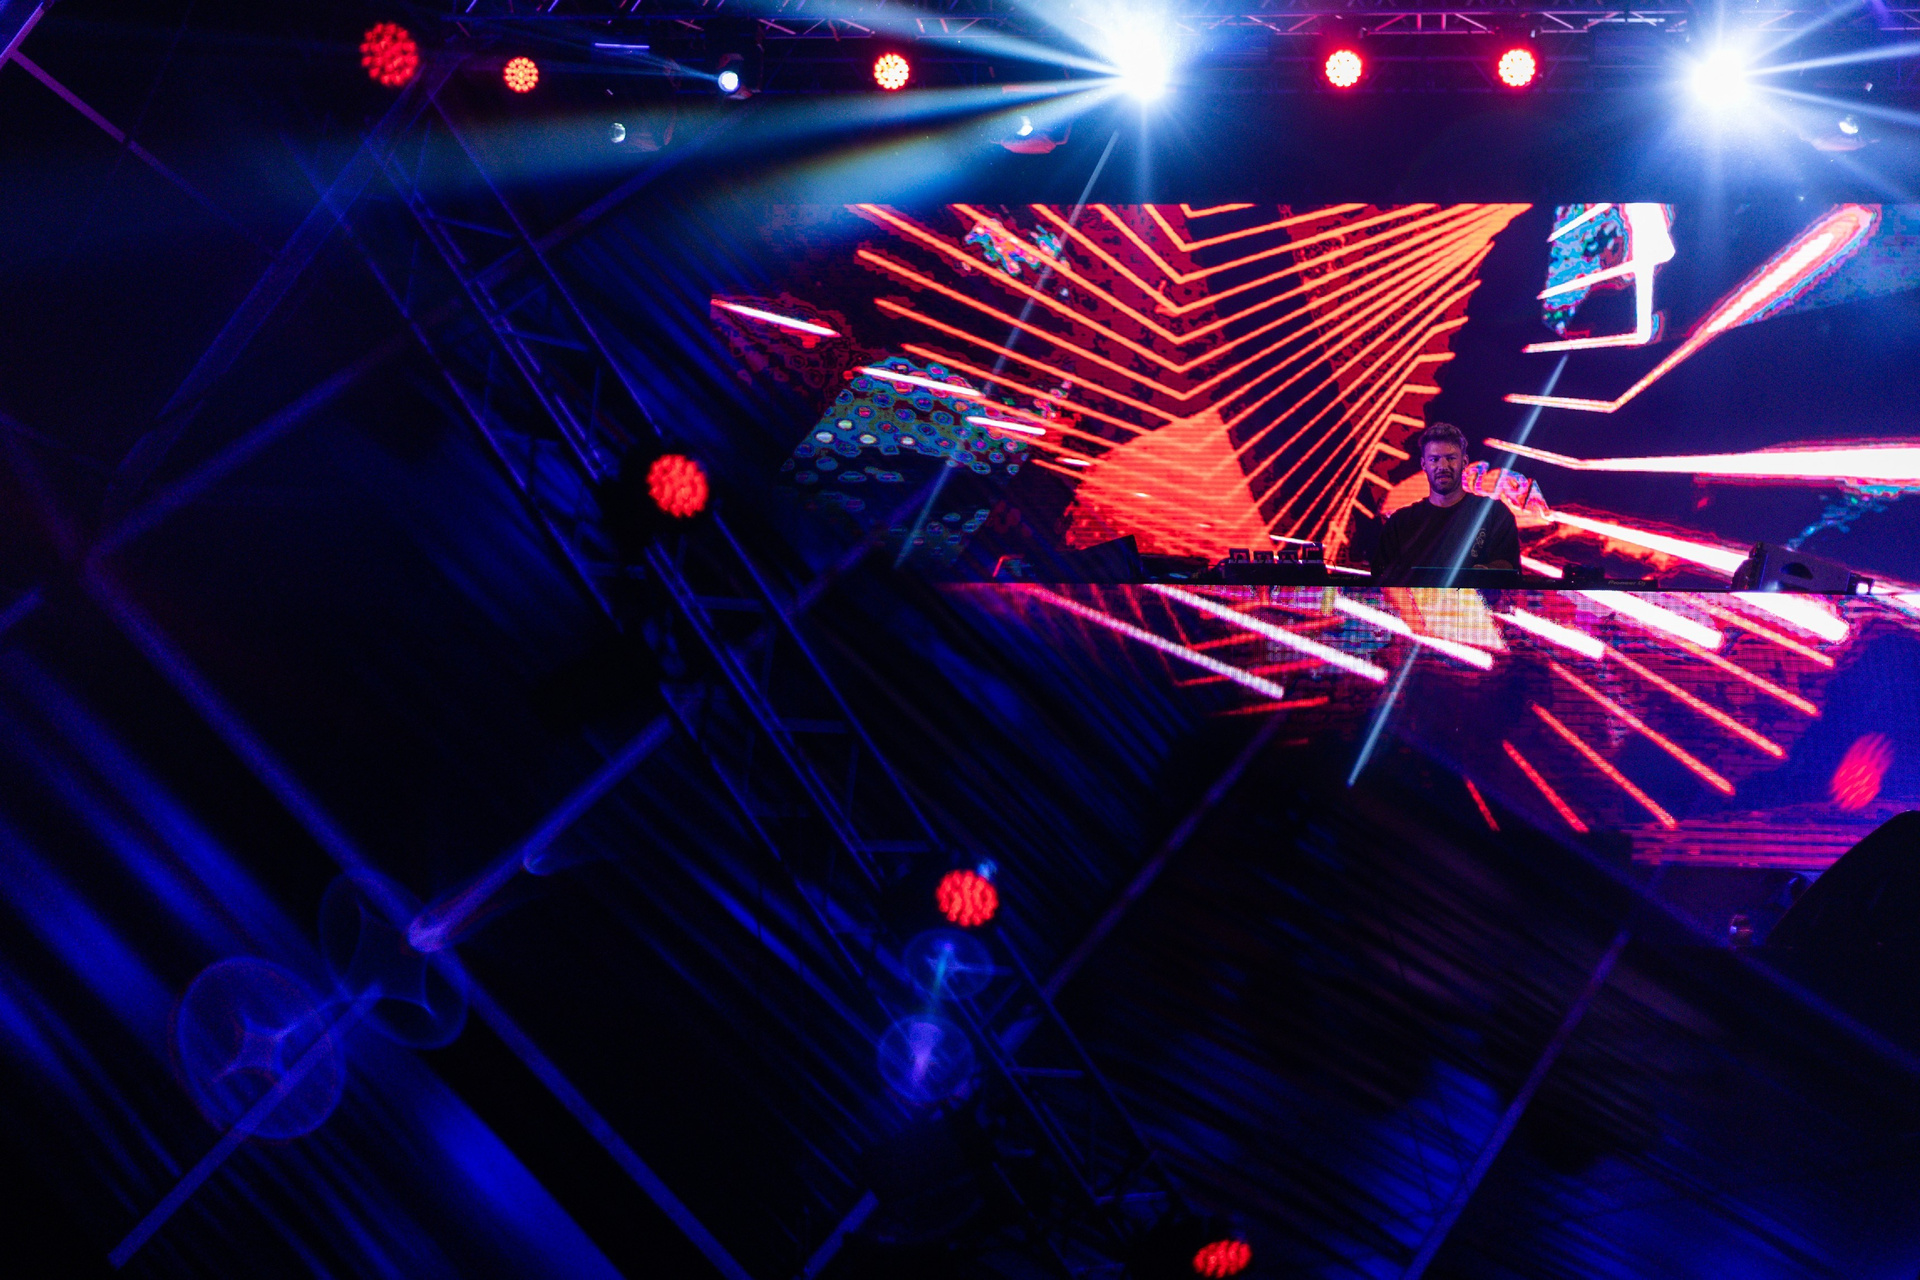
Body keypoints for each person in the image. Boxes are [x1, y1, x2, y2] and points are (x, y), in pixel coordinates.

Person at [1369, 422, 1519, 584]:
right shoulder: (1400, 523)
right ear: (1423, 464)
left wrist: (1481, 574)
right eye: (1434, 459)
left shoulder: (1494, 514)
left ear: (1464, 462)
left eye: (1450, 458)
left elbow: (1509, 570)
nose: (1442, 466)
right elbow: (1380, 578)